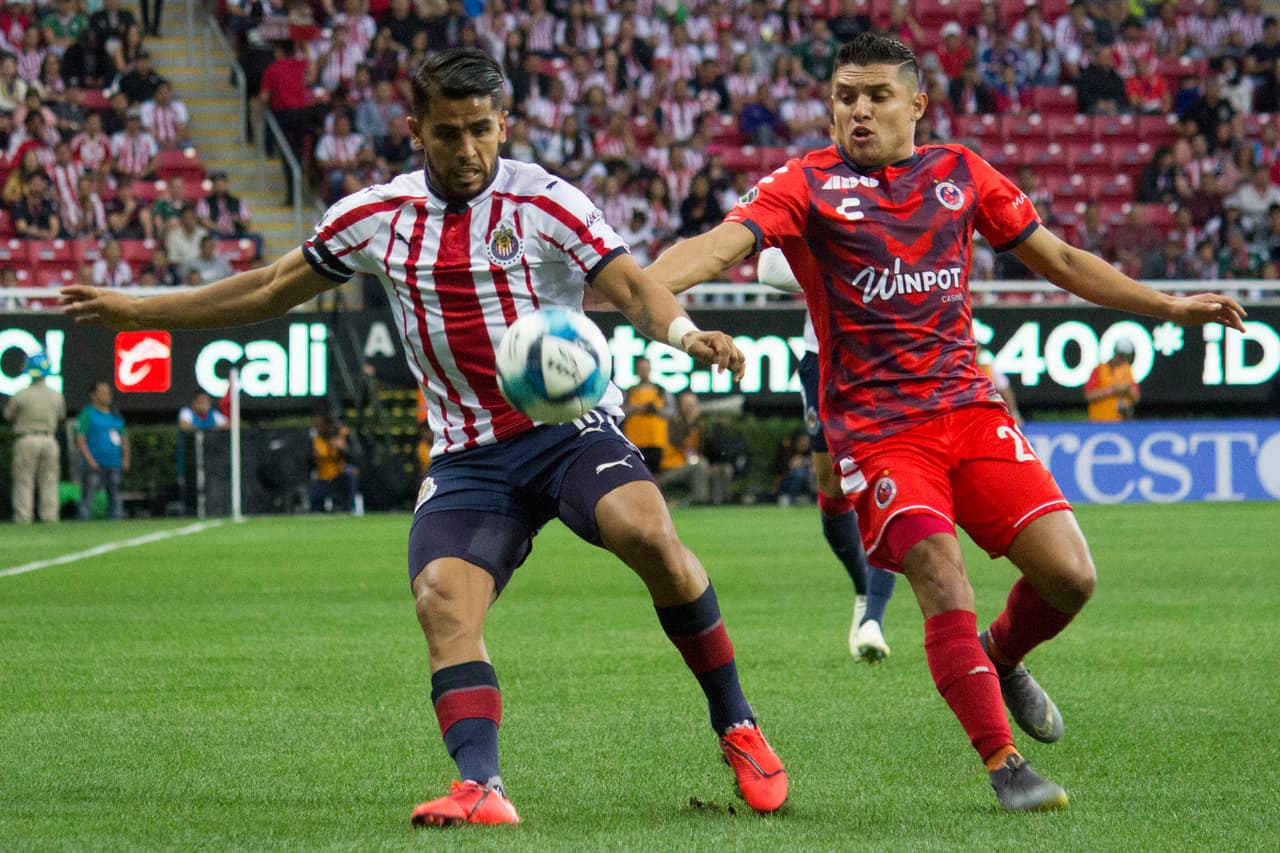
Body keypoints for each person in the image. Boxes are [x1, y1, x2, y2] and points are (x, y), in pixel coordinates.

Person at [61, 46, 786, 826]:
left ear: (504, 123)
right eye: (449, 133)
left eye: (482, 129)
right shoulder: (376, 216)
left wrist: (682, 334)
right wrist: (140, 311)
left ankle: (737, 722)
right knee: (443, 600)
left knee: (647, 528)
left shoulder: (546, 201)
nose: (468, 149)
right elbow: (271, 288)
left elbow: (633, 285)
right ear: (415, 130)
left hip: (568, 429)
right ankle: (482, 787)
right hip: (468, 453)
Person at [645, 33, 1246, 812]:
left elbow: (1060, 261)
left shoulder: (961, 174)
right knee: (937, 567)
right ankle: (1005, 765)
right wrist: (643, 293)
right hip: (877, 429)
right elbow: (716, 246)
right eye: (844, 97)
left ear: (916, 104)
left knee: (1070, 576)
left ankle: (998, 654)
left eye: (876, 96)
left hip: (967, 407)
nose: (857, 111)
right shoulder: (806, 184)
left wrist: (1169, 305)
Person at [757, 247, 897, 663]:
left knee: (885, 481)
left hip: (883, 359)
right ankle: (862, 587)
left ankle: (874, 616)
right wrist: (840, 269)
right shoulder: (819, 194)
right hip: (821, 359)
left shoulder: (894, 207)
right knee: (831, 487)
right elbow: (768, 267)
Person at [4, 352, 66, 524]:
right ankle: (50, 517)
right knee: (50, 480)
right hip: (49, 439)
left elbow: (8, 415)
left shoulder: (21, 394)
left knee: (24, 480)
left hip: (26, 438)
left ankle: (23, 518)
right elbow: (61, 416)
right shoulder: (56, 395)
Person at [75, 380, 130, 521]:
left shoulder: (115, 415)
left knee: (115, 496)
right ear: (93, 395)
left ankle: (115, 522)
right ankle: (83, 522)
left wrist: (125, 458)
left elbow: (123, 439)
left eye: (109, 392)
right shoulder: (87, 414)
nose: (107, 396)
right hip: (95, 463)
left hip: (114, 462)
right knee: (88, 496)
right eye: (103, 393)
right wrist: (89, 460)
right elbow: (80, 440)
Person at [621, 355, 670, 474]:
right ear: (636, 371)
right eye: (641, 369)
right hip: (634, 441)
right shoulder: (629, 391)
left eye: (646, 368)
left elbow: (671, 412)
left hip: (656, 441)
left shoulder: (661, 390)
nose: (644, 372)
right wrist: (635, 408)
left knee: (655, 475)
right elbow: (620, 411)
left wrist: (655, 409)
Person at [307, 407, 358, 513]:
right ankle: (316, 510)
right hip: (322, 480)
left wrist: (344, 450)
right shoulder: (316, 441)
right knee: (312, 487)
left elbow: (356, 461)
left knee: (350, 474)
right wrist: (313, 457)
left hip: (338, 478)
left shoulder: (342, 438)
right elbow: (308, 464)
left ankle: (347, 508)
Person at [1084, 339, 1140, 421]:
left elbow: (1136, 397)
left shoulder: (1127, 371)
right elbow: (1089, 396)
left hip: (1121, 423)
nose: (1123, 359)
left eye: (1126, 357)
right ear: (1115, 354)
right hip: (1099, 423)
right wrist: (1112, 390)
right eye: (1120, 355)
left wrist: (1126, 391)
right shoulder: (1100, 370)